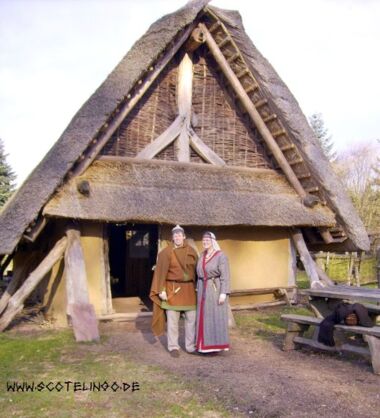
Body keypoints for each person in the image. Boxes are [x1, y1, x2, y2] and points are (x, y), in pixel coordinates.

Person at [150, 225, 198, 357]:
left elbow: (198, 271)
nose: (177, 237)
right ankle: (173, 347)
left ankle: (190, 346)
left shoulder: (192, 251)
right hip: (172, 290)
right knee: (172, 322)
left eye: (179, 235)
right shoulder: (166, 253)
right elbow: (160, 273)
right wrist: (161, 290)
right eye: (175, 235)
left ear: (184, 237)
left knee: (191, 320)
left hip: (189, 291)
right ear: (173, 237)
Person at [195, 231, 230, 353]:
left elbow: (225, 275)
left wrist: (223, 292)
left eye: (208, 240)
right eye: (203, 240)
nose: (205, 242)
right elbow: (199, 273)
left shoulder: (221, 256)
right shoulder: (202, 255)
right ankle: (203, 345)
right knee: (203, 316)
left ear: (213, 242)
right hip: (202, 288)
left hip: (215, 288)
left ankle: (216, 344)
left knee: (215, 316)